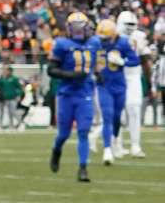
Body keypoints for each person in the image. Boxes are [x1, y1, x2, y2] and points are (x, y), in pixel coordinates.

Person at [48, 12, 98, 183]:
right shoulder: (62, 44)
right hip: (66, 94)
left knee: (84, 131)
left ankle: (83, 168)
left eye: (80, 28)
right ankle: (57, 150)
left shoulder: (94, 43)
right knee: (64, 134)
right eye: (74, 28)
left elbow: (99, 60)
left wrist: (99, 73)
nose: (78, 32)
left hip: (85, 93)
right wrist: (70, 74)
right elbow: (51, 70)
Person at [93, 18, 139, 166]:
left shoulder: (123, 42)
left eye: (106, 37)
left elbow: (135, 60)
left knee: (117, 118)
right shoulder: (95, 42)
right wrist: (94, 71)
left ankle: (114, 141)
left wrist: (122, 62)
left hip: (119, 86)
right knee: (107, 116)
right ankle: (107, 150)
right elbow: (88, 60)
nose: (103, 40)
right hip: (104, 85)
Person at [116, 10, 151, 158]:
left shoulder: (139, 36)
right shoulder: (112, 34)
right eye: (127, 24)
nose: (130, 27)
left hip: (134, 74)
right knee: (118, 112)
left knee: (134, 108)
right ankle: (117, 145)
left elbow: (145, 58)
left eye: (132, 24)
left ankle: (135, 145)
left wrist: (149, 82)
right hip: (117, 75)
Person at [0, 64, 24, 130]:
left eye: (6, 70)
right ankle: (1, 125)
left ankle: (18, 124)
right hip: (2, 98)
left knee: (12, 112)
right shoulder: (1, 78)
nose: (5, 71)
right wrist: (1, 78)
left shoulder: (14, 79)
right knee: (2, 113)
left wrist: (19, 96)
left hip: (12, 98)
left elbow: (20, 88)